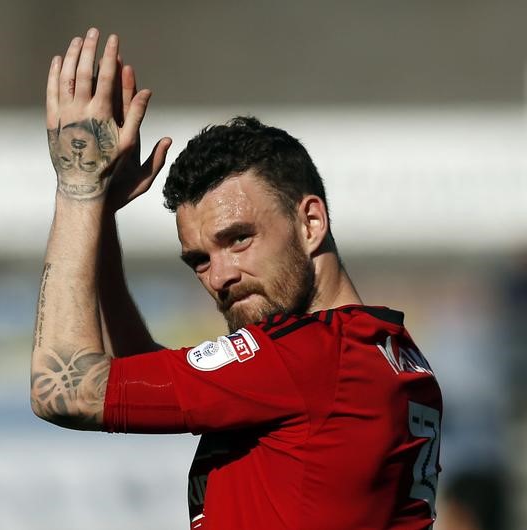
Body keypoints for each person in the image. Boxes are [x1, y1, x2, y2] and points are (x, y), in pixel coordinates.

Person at [31, 28, 443, 530]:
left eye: (239, 239)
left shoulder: (307, 360)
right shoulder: (381, 351)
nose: (220, 276)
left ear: (310, 222)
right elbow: (141, 375)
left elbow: (64, 390)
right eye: (199, 260)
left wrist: (78, 189)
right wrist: (102, 220)